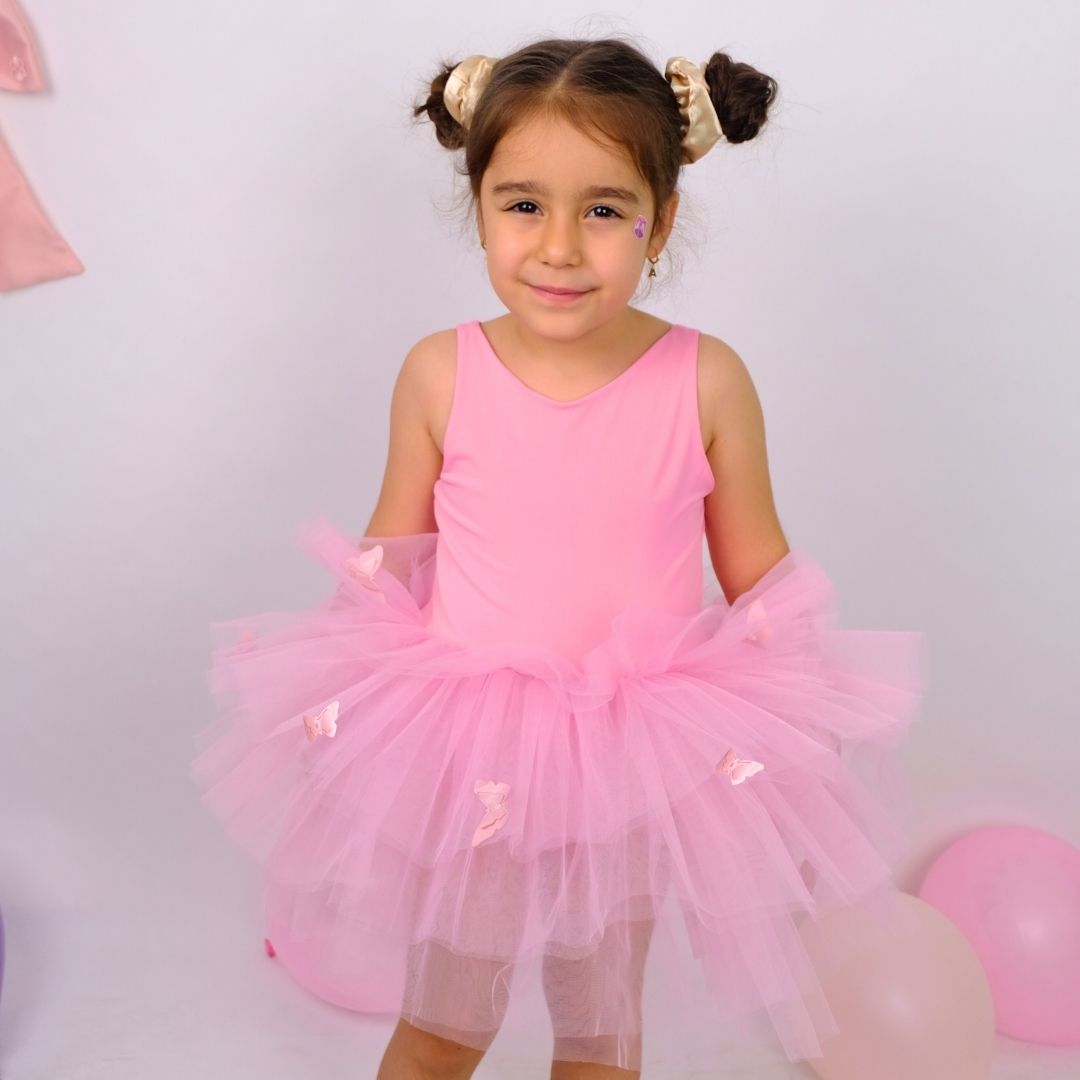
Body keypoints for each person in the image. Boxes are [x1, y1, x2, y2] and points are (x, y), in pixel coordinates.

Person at [191, 35, 927, 1080]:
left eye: (605, 210)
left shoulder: (706, 381)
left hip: (633, 755)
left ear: (660, 220)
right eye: (524, 204)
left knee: (598, 1030)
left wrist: (803, 724)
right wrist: (342, 711)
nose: (561, 248)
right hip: (471, 740)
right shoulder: (441, 373)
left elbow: (758, 570)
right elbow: (389, 553)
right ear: (480, 204)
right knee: (446, 1020)